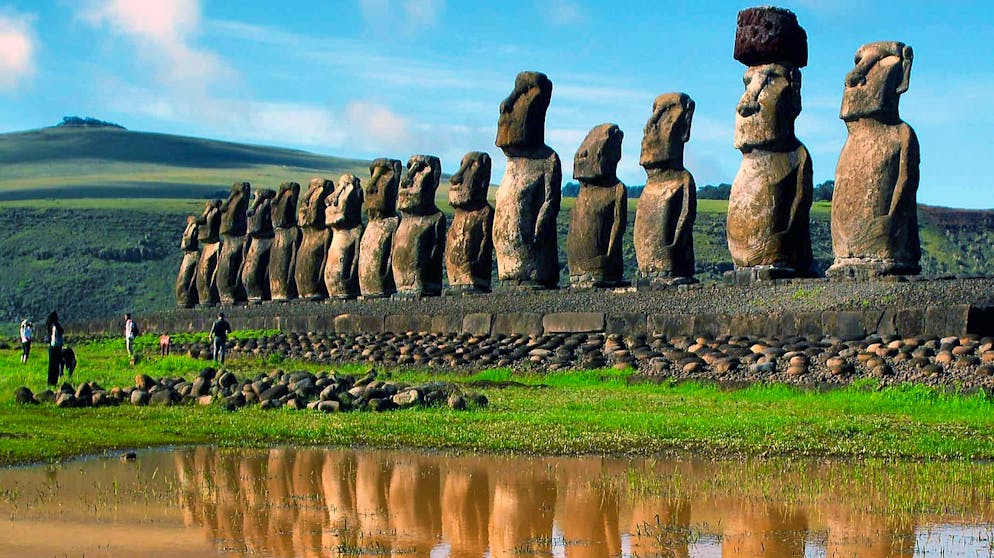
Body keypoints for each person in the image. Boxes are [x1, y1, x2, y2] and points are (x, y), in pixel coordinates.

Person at [45, 312, 64, 387]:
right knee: (55, 365)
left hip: (52, 347)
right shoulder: (56, 326)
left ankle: (50, 381)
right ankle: (53, 381)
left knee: (52, 365)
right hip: (56, 347)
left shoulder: (50, 326)